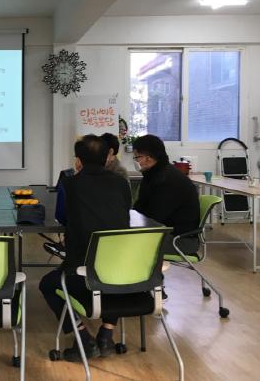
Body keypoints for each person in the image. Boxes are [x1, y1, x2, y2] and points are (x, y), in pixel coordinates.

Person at [40, 135, 132, 361]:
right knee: (115, 281)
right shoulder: (122, 183)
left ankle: (82, 337)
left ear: (78, 161)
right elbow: (125, 212)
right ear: (107, 158)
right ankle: (106, 335)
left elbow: (62, 217)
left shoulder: (70, 184)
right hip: (120, 269)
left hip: (81, 269)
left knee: (47, 284)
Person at [132, 134, 200, 256]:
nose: (136, 161)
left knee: (125, 242)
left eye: (137, 157)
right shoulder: (153, 175)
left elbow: (154, 218)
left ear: (148, 158)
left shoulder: (168, 180)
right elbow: (140, 207)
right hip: (165, 232)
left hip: (180, 240)